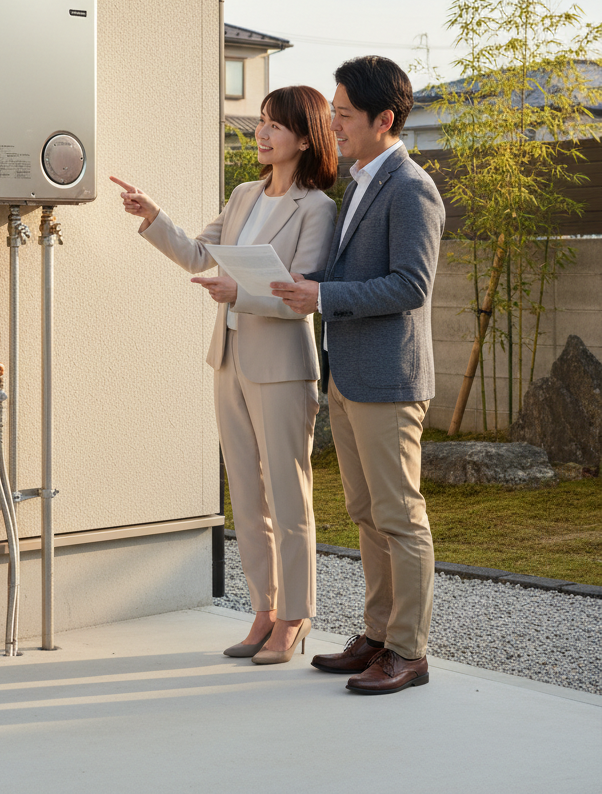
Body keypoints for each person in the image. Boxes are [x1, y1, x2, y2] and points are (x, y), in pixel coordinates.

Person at [112, 86, 337, 664]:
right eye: (261, 122)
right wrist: (153, 215)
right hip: (229, 357)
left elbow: (302, 296)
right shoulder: (243, 195)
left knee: (289, 498)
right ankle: (263, 611)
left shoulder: (317, 208)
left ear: (306, 137)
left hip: (284, 366)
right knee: (245, 496)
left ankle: (295, 615)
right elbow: (195, 255)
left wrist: (243, 292)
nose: (261, 133)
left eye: (274, 126)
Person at [272, 56, 445, 695]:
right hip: (347, 375)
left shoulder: (411, 187)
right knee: (367, 512)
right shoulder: (361, 181)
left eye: (343, 115)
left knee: (400, 516)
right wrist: (306, 286)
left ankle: (409, 651)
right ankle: (377, 636)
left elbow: (410, 285)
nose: (334, 126)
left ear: (384, 119)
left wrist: (321, 299)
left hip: (388, 380)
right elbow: (352, 276)